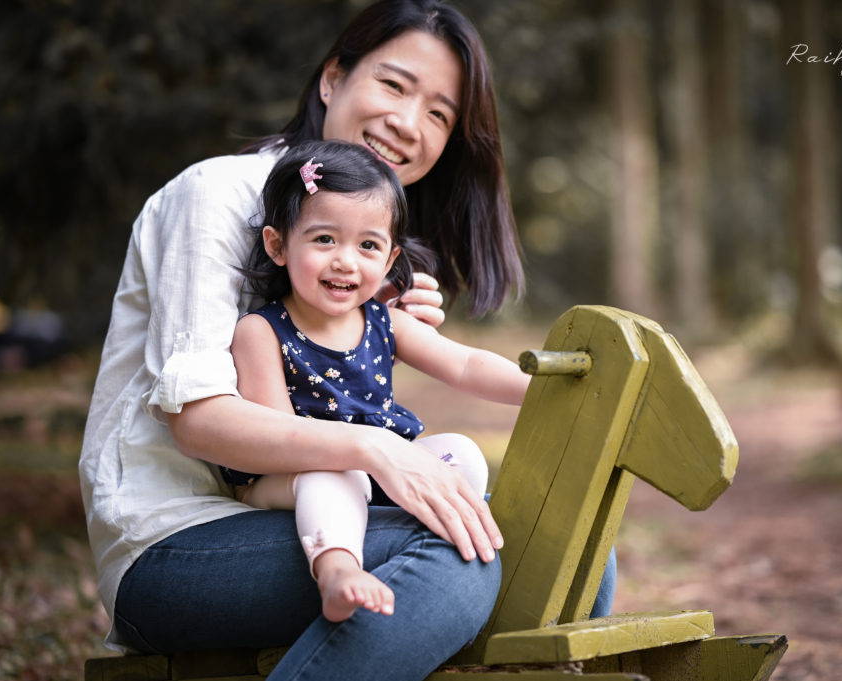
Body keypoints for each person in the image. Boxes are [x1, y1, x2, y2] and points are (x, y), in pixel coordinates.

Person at [79, 1, 613, 679]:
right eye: (394, 85)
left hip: (311, 516)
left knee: (567, 547)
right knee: (462, 557)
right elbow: (199, 421)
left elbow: (444, 367)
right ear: (332, 79)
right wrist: (374, 446)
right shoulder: (217, 196)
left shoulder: (369, 261)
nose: (407, 123)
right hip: (174, 544)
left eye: (440, 114)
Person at [224, 139, 530, 623]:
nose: (347, 261)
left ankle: (420, 542)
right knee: (335, 472)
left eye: (368, 245)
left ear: (389, 261)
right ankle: (338, 572)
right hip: (294, 476)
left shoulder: (384, 321)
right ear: (278, 245)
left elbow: (465, 365)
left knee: (462, 454)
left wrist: (537, 390)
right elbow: (277, 440)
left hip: (376, 471)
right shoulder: (261, 331)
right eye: (324, 239)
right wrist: (346, 456)